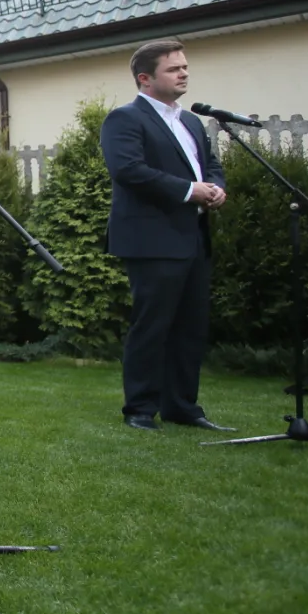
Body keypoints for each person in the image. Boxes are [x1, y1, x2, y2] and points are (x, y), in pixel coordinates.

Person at [100, 41, 236, 433]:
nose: (184, 73)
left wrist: (216, 188)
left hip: (193, 236)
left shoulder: (191, 121)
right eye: (174, 69)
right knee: (153, 325)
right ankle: (140, 409)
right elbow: (129, 170)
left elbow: (210, 165)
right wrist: (189, 191)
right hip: (151, 238)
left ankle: (182, 407)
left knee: (191, 327)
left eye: (185, 67)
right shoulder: (125, 119)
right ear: (145, 78)